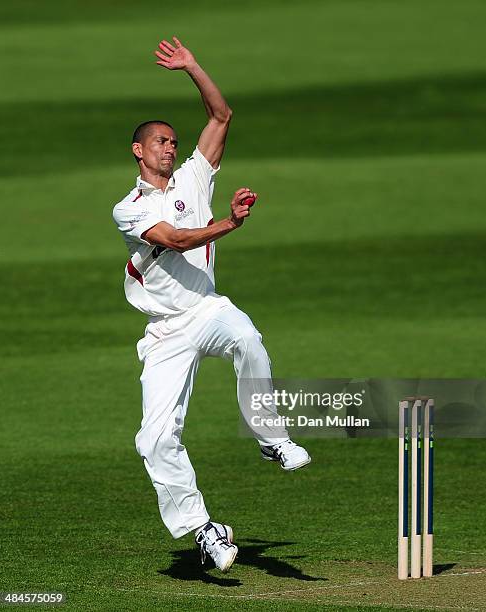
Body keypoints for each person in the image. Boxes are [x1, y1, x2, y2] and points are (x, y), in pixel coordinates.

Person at [112, 37, 311, 573]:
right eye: (159, 141)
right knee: (153, 440)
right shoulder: (128, 208)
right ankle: (204, 530)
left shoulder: (194, 177)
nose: (170, 148)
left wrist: (193, 67)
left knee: (247, 336)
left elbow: (221, 115)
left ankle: (271, 437)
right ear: (138, 150)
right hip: (166, 330)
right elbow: (174, 239)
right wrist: (231, 224)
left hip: (206, 307)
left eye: (174, 141)